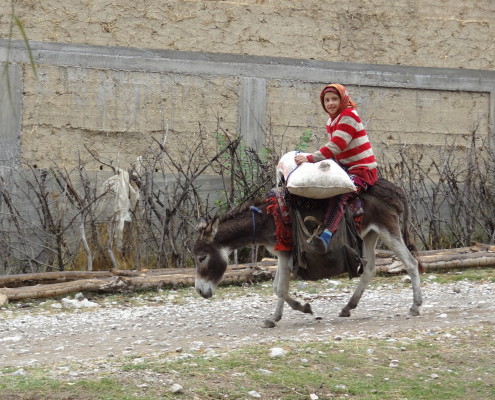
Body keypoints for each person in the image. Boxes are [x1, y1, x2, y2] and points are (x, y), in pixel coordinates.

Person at [294, 83, 378, 252]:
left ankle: (326, 235)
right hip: (347, 168)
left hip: (362, 170)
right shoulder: (332, 120)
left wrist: (310, 158)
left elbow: (336, 145)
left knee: (340, 193)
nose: (330, 103)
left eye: (334, 99)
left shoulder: (349, 116)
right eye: (326, 100)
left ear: (343, 99)